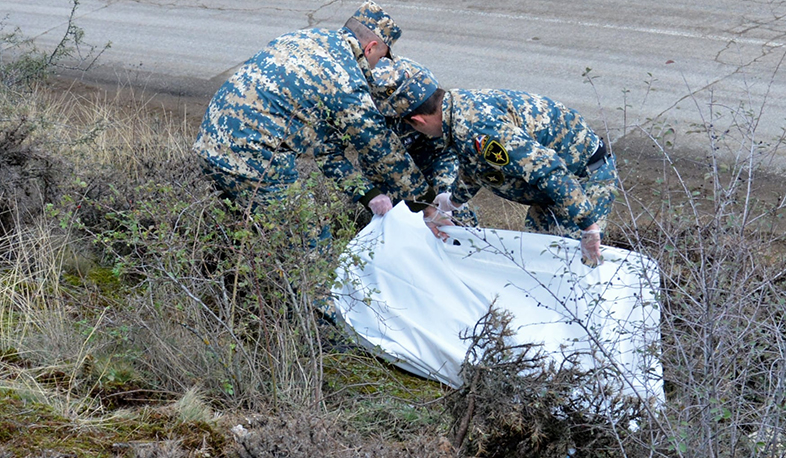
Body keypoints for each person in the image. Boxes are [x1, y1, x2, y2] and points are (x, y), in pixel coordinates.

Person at [192, 1, 437, 220]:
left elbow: (325, 149)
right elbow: (379, 145)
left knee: (245, 227)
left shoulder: (301, 38)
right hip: (254, 162)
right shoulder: (345, 77)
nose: (377, 66)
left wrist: (368, 194)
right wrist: (425, 201)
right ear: (370, 48)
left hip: (208, 146)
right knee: (310, 243)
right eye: (382, 58)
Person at [381, 61, 618, 267]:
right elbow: (478, 167)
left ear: (418, 120)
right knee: (539, 262)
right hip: (551, 193)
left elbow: (548, 168)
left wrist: (587, 226)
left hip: (581, 184)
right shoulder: (456, 110)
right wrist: (452, 201)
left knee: (572, 269)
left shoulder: (478, 127)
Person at [368, 57, 478, 226]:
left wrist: (446, 193)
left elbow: (444, 152)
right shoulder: (363, 112)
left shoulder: (423, 95)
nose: (399, 116)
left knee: (454, 216)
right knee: (397, 227)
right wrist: (370, 194)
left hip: (429, 162)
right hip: (388, 175)